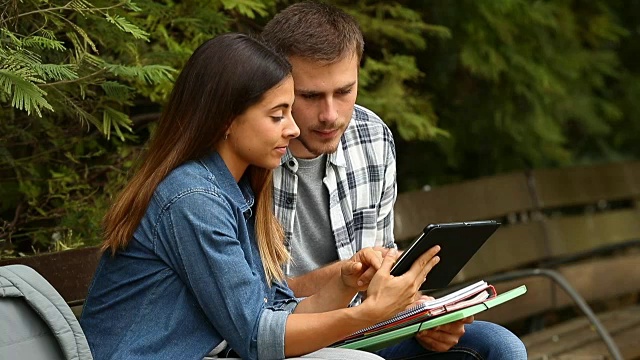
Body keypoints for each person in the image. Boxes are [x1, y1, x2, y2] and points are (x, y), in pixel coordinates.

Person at [79, 33, 442, 360]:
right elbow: (257, 337)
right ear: (227, 120)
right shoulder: (192, 199)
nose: (294, 127)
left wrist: (346, 283)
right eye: (277, 115)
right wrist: (367, 313)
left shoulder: (235, 189)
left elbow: (275, 313)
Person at [262, 2, 528, 359]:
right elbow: (255, 304)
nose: (330, 115)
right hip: (290, 338)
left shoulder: (372, 136)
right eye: (310, 96)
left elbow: (382, 270)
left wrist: (421, 312)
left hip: (368, 330)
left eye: (344, 92)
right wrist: (345, 277)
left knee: (499, 347)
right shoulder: (254, 153)